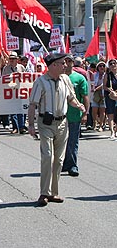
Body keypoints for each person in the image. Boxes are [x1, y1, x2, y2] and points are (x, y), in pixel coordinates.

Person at [27, 53, 86, 207]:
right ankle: (44, 193)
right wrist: (31, 125)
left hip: (62, 123)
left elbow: (71, 98)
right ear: (53, 65)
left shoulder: (66, 80)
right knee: (47, 156)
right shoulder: (40, 82)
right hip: (45, 123)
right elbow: (33, 104)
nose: (65, 65)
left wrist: (78, 105)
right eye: (62, 63)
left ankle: (54, 192)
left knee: (59, 160)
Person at [62, 55, 89, 177]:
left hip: (74, 115)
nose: (67, 64)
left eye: (69, 61)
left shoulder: (79, 78)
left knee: (73, 141)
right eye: (65, 61)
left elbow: (85, 97)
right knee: (60, 142)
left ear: (73, 63)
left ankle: (72, 165)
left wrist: (85, 113)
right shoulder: (58, 77)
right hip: (60, 115)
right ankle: (63, 163)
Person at [2, 51, 27, 134]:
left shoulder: (21, 68)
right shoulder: (6, 68)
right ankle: (15, 127)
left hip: (20, 91)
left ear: (17, 60)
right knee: (13, 110)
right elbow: (3, 79)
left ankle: (21, 126)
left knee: (21, 110)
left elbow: (26, 78)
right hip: (11, 92)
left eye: (13, 59)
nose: (11, 60)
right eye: (10, 59)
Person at [103, 59, 117, 139]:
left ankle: (115, 130)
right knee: (110, 114)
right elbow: (104, 86)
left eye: (114, 63)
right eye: (111, 64)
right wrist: (109, 89)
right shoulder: (107, 75)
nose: (113, 65)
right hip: (110, 96)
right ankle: (112, 132)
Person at [91, 61, 106, 131]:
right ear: (97, 67)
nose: (102, 67)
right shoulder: (94, 74)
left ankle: (101, 125)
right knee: (94, 109)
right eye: (100, 66)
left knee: (102, 110)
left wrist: (96, 88)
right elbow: (91, 82)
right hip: (95, 93)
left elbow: (104, 84)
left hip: (103, 93)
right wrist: (92, 87)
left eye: (103, 66)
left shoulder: (106, 75)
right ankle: (95, 122)